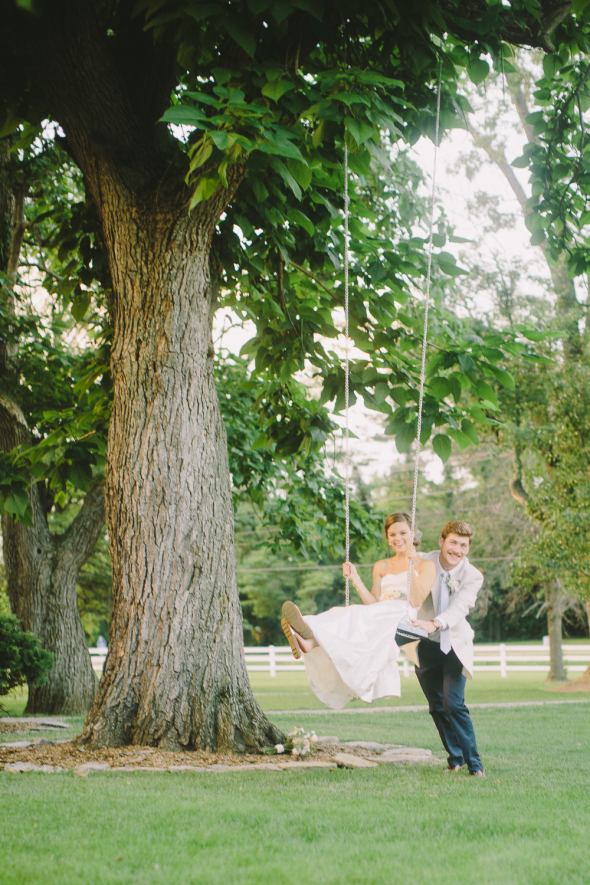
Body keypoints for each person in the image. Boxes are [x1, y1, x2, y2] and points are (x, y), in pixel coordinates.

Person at [280, 512, 436, 710]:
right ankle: (307, 635)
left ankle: (309, 634)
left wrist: (411, 565)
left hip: (402, 615)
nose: (398, 539)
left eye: (403, 533)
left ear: (413, 534)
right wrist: (355, 579)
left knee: (355, 615)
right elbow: (373, 603)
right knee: (348, 612)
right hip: (380, 611)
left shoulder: (426, 565)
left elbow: (416, 600)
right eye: (392, 534)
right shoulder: (381, 566)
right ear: (387, 538)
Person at [408, 520, 486, 777]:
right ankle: (456, 759)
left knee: (454, 704)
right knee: (436, 706)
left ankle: (475, 765)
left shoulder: (472, 576)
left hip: (453, 645)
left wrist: (435, 623)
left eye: (463, 545)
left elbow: (460, 607)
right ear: (442, 541)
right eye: (453, 542)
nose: (457, 550)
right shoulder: (423, 560)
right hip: (425, 646)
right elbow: (401, 562)